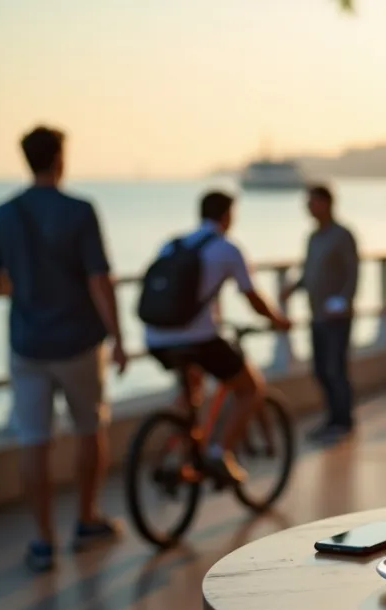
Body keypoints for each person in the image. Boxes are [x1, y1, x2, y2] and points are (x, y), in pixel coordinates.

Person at [0, 125, 128, 572]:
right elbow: (99, 278)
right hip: (79, 342)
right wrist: (117, 336)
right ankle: (86, 519)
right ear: (60, 158)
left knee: (33, 442)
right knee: (88, 430)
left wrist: (20, 287)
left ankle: (43, 541)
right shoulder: (79, 210)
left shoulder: (2, 214)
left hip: (27, 344)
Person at [145, 191, 291, 485]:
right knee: (251, 388)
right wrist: (278, 320)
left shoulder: (173, 245)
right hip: (198, 340)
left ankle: (178, 451)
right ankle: (218, 452)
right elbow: (252, 296)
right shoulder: (226, 249)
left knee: (191, 388)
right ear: (227, 215)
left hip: (156, 337)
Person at [281, 184, 360, 442]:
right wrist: (293, 287)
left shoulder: (343, 235)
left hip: (337, 318)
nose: (308, 207)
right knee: (320, 370)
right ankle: (332, 418)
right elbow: (309, 273)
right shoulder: (313, 237)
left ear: (326, 203)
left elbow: (353, 272)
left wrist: (342, 301)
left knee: (336, 368)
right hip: (316, 316)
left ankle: (343, 420)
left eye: (312, 202)